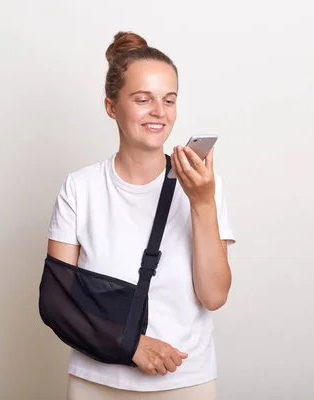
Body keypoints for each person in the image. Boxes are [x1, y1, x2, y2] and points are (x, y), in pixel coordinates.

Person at [47, 31, 236, 400]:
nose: (159, 112)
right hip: (96, 381)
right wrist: (130, 344)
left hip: (186, 381)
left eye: (169, 100)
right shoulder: (80, 188)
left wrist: (201, 202)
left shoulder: (202, 186)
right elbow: (57, 301)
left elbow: (213, 295)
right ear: (111, 106)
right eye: (142, 99)